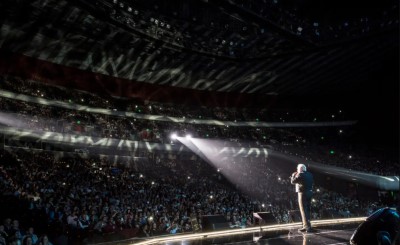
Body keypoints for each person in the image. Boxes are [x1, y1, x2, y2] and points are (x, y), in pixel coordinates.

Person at [291, 163, 313, 232]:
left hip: (302, 194)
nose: (297, 170)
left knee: (303, 210)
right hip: (310, 193)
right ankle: (307, 225)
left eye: (298, 169)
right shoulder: (310, 174)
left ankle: (306, 227)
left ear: (300, 169)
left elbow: (293, 181)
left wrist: (293, 175)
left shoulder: (300, 174)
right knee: (308, 210)